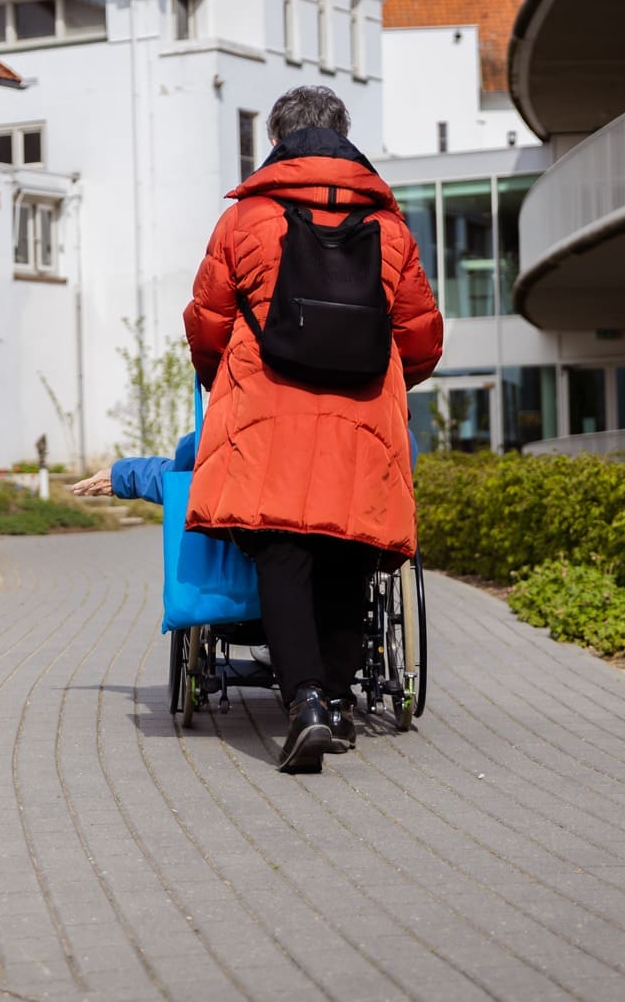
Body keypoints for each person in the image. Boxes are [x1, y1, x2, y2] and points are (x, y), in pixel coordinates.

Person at [183, 85, 442, 773]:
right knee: (349, 552)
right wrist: (385, 384)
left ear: (277, 140)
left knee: (282, 552)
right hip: (362, 415)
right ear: (344, 134)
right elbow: (421, 336)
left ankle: (304, 704)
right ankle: (342, 695)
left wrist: (220, 381)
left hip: (268, 411)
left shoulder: (247, 219)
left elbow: (207, 319)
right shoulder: (391, 227)